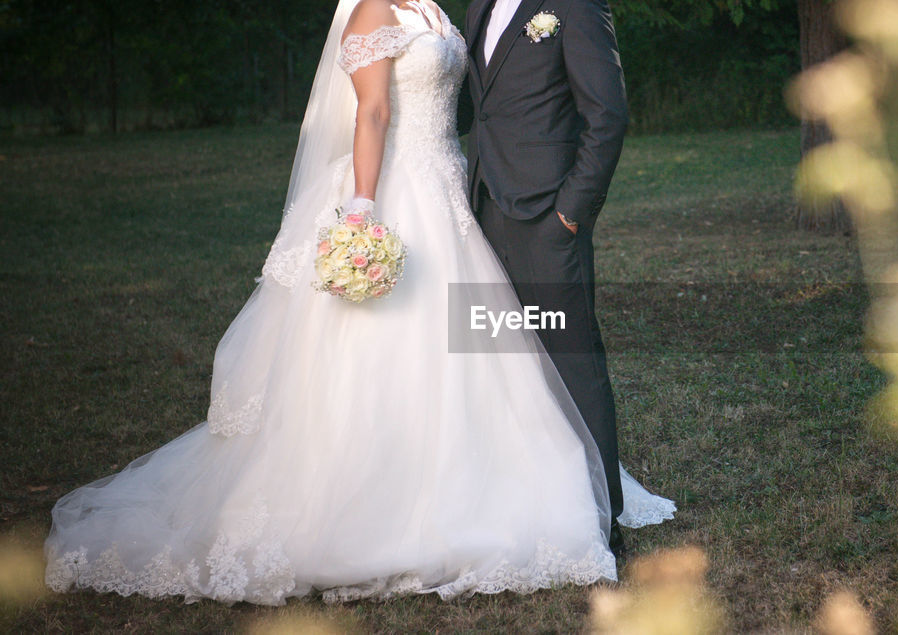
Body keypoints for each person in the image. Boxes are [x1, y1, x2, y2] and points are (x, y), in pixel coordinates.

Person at [44, 0, 673, 605]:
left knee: (520, 352)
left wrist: (565, 208)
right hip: (408, 196)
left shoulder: (440, 10)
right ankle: (406, 505)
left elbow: (553, 104)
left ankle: (566, 499)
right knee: (410, 352)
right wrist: (364, 210)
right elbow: (370, 113)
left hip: (466, 195)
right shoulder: (376, 10)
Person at [463, 0, 630, 551]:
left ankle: (605, 516)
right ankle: (529, 498)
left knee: (573, 359)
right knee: (504, 364)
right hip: (485, 209)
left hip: (548, 218)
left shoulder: (576, 5)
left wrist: (571, 211)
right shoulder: (478, 7)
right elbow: (482, 108)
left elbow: (607, 113)